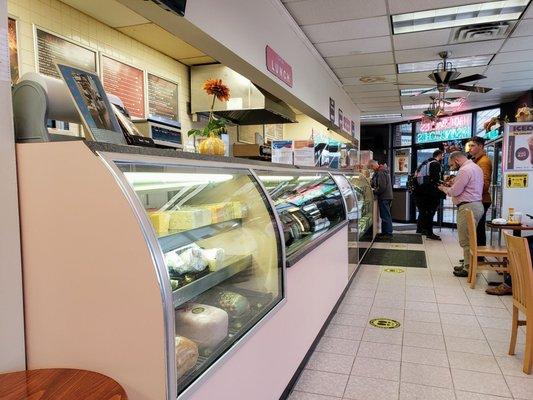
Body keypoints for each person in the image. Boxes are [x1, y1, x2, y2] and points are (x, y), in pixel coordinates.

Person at [438, 151, 484, 277]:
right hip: (475, 205)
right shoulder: (476, 167)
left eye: (452, 165)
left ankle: (468, 268)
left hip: (468, 207)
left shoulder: (464, 170)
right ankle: (467, 264)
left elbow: (455, 191)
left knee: (466, 238)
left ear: (457, 160)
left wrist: (444, 188)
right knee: (470, 237)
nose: (451, 167)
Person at [466, 137, 493, 246]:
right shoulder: (476, 160)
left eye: (473, 146)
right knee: (475, 229)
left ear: (481, 146)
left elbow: (485, 184)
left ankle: (479, 257)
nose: (470, 148)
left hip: (481, 200)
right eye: (469, 146)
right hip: (477, 199)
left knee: (478, 229)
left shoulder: (484, 162)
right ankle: (475, 256)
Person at [414, 149, 445, 240]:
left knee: (423, 212)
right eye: (442, 155)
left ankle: (421, 229)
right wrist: (443, 184)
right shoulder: (435, 164)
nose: (442, 157)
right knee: (430, 212)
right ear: (439, 155)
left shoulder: (425, 163)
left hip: (420, 191)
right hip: (429, 193)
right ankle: (429, 232)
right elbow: (435, 180)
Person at [369, 160, 393, 238]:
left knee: (385, 215)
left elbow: (382, 187)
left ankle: (388, 233)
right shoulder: (379, 171)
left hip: (384, 197)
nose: (372, 169)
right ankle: (385, 232)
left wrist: (374, 192)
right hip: (385, 196)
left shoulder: (381, 172)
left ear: (374, 165)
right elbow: (374, 182)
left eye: (371, 167)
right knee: (384, 215)